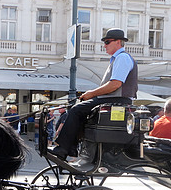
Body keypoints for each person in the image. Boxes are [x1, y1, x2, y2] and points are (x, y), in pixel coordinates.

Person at [50, 28, 138, 160]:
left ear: (118, 42)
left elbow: (115, 84)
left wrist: (91, 93)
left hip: (117, 100)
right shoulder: (117, 59)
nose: (104, 45)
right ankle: (71, 147)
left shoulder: (122, 58)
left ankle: (64, 148)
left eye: (107, 42)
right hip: (113, 99)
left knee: (76, 110)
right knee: (77, 110)